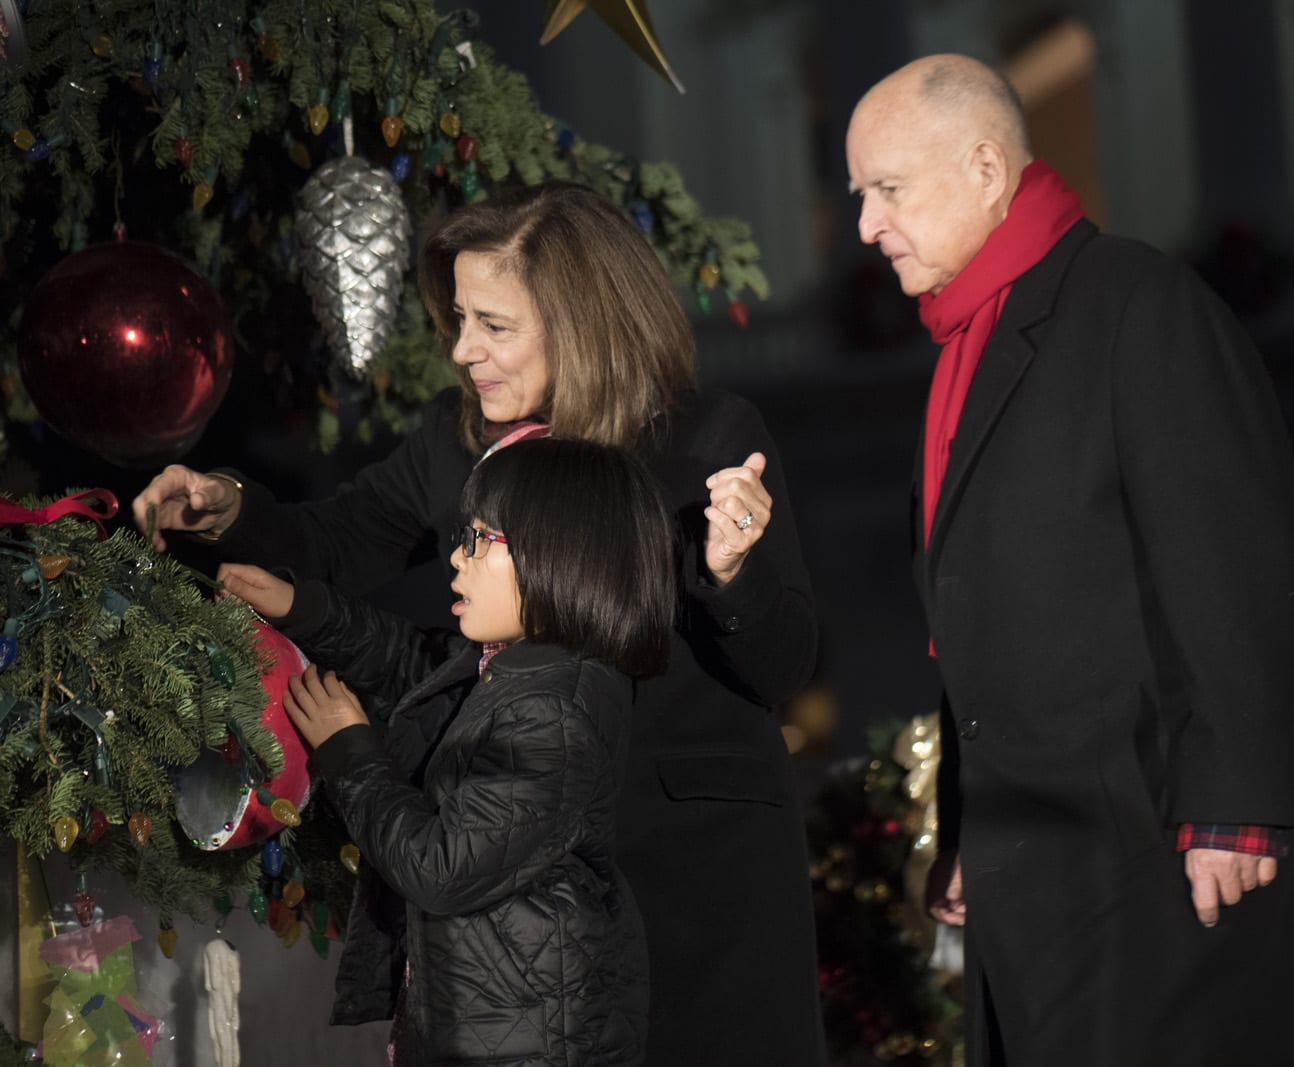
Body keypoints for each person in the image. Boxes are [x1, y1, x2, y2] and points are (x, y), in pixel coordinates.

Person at [132, 183, 827, 1065]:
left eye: (494, 325)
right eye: (458, 319)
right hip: (527, 891)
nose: (464, 351)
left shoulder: (706, 435)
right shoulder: (458, 440)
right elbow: (337, 542)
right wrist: (228, 508)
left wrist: (733, 574)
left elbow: (784, 664)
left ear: (582, 319)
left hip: (698, 876)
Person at [845, 55, 1294, 1065]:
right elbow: (979, 617)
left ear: (987, 167)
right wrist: (969, 829)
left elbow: (1232, 563)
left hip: (1153, 854)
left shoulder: (1140, 304)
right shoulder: (966, 343)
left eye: (888, 189)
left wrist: (1238, 810)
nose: (866, 225)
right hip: (1034, 871)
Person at [219, 438, 671, 1065]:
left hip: (526, 1046)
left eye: (482, 540)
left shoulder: (555, 708)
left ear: (558, 558)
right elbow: (412, 662)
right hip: (483, 1026)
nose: (457, 558)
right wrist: (305, 608)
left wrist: (350, 752)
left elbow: (442, 867)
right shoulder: (514, 668)